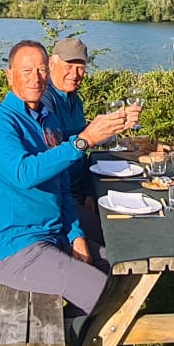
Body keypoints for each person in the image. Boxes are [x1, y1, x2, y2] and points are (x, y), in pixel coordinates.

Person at [0, 39, 135, 346]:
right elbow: (24, 173)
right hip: (15, 246)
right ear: (9, 76)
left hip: (53, 237)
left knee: (118, 267)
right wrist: (83, 141)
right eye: (26, 71)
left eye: (41, 70)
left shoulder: (46, 122)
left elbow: (62, 187)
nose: (35, 78)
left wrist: (77, 234)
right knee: (101, 292)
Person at [44, 36, 101, 244]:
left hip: (78, 190)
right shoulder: (44, 99)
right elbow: (55, 145)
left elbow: (83, 152)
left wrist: (89, 191)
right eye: (69, 65)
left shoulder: (75, 100)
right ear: (52, 63)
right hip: (59, 196)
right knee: (109, 234)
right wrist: (91, 133)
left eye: (81, 68)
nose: (76, 74)